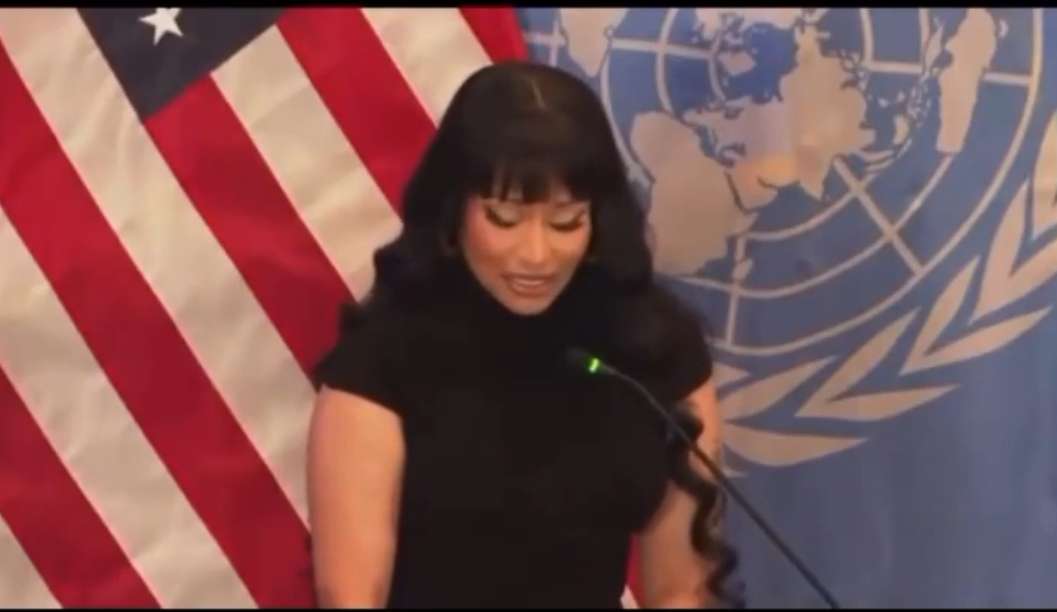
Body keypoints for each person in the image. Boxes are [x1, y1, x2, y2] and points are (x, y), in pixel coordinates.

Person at [307, 60, 742, 608]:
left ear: (599, 221)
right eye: (504, 219)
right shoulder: (380, 362)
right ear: (454, 213)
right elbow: (350, 598)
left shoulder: (653, 349)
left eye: (565, 222)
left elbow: (679, 590)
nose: (536, 255)